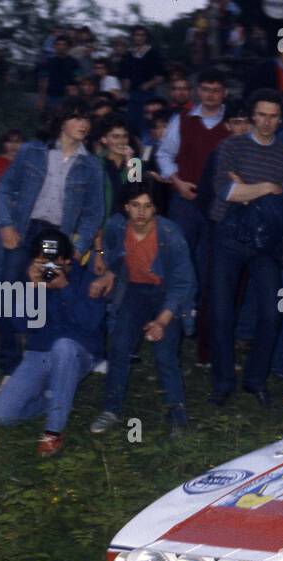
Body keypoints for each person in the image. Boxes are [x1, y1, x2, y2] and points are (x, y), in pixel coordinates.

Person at [0, 98, 104, 381]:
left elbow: (94, 213)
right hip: (24, 228)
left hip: (57, 237)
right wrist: (5, 223)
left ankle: (41, 365)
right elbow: (4, 188)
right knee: (3, 292)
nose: (83, 125)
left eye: (86, 120)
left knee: (43, 296)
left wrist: (77, 248)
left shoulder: (90, 165)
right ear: (62, 121)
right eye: (76, 118)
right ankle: (9, 365)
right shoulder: (32, 151)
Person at [204, 88, 283, 407]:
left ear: (280, 119)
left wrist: (247, 188)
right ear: (253, 115)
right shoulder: (231, 146)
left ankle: (255, 380)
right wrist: (267, 188)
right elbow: (224, 191)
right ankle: (223, 382)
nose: (266, 121)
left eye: (273, 116)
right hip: (228, 236)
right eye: (261, 114)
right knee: (221, 311)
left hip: (265, 243)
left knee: (272, 314)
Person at [88, 183, 197, 438]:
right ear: (126, 207)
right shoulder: (117, 225)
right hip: (135, 291)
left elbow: (183, 284)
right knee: (119, 346)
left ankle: (177, 414)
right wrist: (106, 269)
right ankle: (111, 409)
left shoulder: (171, 235)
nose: (141, 212)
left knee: (164, 353)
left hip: (167, 293)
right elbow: (114, 255)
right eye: (135, 205)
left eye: (147, 206)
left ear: (155, 209)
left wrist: (161, 321)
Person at [0, 228, 105, 456]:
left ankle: (54, 430)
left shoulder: (87, 279)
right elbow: (21, 325)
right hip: (39, 353)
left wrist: (65, 289)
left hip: (78, 352)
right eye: (42, 262)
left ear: (66, 259)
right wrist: (33, 288)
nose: (48, 268)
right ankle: (56, 398)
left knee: (63, 346)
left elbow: (89, 324)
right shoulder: (33, 281)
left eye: (53, 262)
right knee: (2, 415)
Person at [156, 69, 230, 366]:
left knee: (210, 272)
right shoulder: (184, 120)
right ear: (198, 91)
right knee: (178, 266)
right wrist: (177, 182)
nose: (211, 95)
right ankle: (169, 335)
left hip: (218, 207)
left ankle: (204, 347)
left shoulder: (233, 124)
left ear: (224, 93)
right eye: (206, 89)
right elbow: (163, 155)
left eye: (217, 89)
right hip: (185, 200)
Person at [121, 26, 165, 136]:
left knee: (147, 125)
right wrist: (125, 92)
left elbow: (161, 76)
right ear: (133, 37)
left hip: (148, 95)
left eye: (142, 35)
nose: (139, 37)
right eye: (137, 35)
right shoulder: (128, 55)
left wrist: (148, 84)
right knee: (132, 125)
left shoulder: (152, 53)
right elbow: (126, 76)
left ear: (146, 37)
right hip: (133, 95)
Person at [39, 35, 81, 111]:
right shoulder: (48, 62)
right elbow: (43, 80)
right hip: (50, 97)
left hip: (67, 98)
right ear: (54, 46)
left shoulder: (75, 63)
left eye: (63, 44)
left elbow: (78, 79)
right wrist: (42, 99)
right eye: (58, 44)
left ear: (68, 47)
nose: (60, 47)